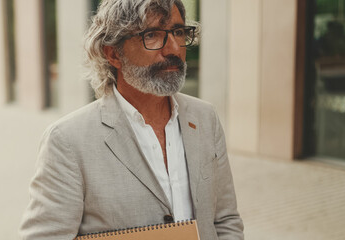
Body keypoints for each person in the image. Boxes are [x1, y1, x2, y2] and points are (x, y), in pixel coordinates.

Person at [19, 1, 244, 240]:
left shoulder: (205, 118)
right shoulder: (67, 141)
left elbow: (225, 220)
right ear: (114, 53)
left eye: (178, 32)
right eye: (152, 35)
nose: (174, 48)